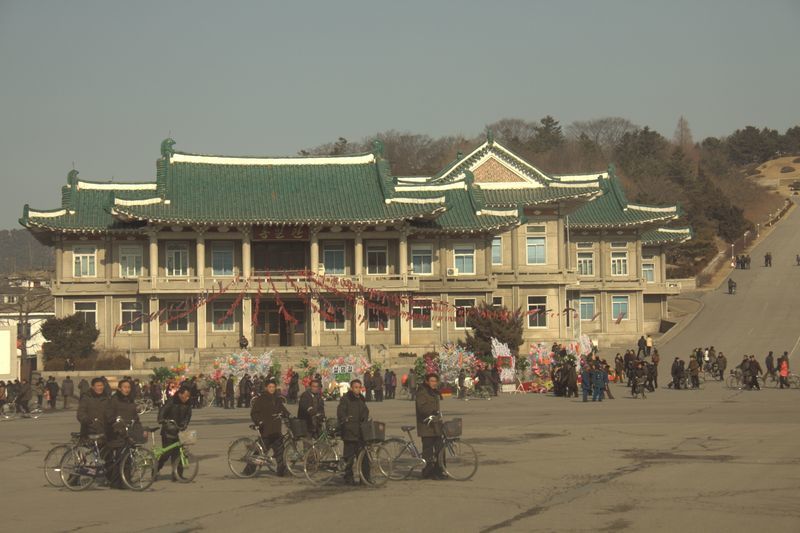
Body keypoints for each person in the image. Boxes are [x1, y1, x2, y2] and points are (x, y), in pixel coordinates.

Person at [251, 379, 290, 476]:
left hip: (276, 429)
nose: (272, 389)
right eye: (270, 387)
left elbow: (282, 409)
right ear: (266, 388)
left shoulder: (277, 399)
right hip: (266, 429)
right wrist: (259, 421)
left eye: (273, 387)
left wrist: (287, 414)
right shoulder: (261, 399)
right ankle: (248, 470)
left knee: (280, 451)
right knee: (259, 453)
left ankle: (282, 471)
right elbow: (254, 413)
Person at [337, 379, 370, 484]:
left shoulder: (361, 399)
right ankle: (348, 478)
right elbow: (340, 412)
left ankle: (365, 479)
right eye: (356, 387)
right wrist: (345, 419)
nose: (358, 389)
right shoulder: (345, 399)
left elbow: (365, 412)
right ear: (351, 388)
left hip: (360, 433)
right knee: (349, 458)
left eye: (359, 387)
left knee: (364, 458)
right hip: (349, 433)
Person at [108, 379, 140, 488]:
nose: (127, 389)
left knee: (127, 459)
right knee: (120, 459)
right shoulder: (114, 400)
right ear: (119, 388)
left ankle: (123, 481)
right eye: (125, 387)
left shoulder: (130, 400)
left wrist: (141, 429)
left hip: (128, 432)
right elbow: (110, 416)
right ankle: (118, 482)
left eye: (129, 387)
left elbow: (135, 418)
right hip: (117, 433)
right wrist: (117, 426)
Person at [157, 386, 193, 477]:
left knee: (178, 454)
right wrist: (161, 419)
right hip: (168, 431)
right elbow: (162, 411)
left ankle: (178, 475)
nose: (187, 398)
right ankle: (156, 468)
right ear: (180, 394)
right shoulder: (171, 401)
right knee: (166, 454)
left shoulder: (188, 404)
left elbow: (188, 416)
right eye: (185, 396)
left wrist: (185, 424)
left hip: (179, 431)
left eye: (188, 396)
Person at [415, 373, 445, 479]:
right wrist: (431, 412)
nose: (434, 383)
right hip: (426, 426)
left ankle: (440, 470)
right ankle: (428, 472)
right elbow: (421, 408)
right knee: (428, 451)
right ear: (427, 381)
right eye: (432, 381)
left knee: (440, 448)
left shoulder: (434, 392)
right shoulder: (422, 392)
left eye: (435, 381)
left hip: (436, 426)